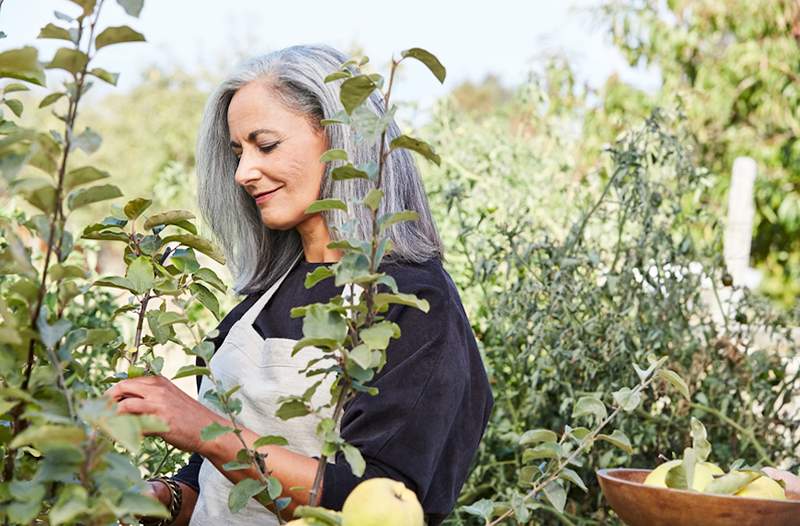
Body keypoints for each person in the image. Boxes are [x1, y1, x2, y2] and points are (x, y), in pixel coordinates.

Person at [104, 43, 493, 526]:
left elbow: (375, 505)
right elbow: (216, 483)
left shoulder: (411, 303)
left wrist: (205, 429)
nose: (244, 172)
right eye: (237, 152)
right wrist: (163, 497)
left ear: (340, 141)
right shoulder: (255, 305)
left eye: (265, 145)